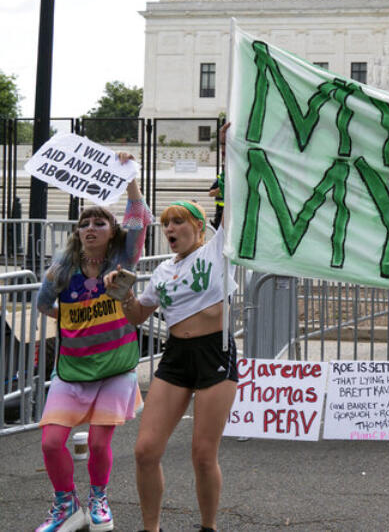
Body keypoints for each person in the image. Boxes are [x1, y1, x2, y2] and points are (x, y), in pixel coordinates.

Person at [113, 125, 237, 532]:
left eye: (178, 223)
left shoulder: (219, 249)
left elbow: (235, 198)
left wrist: (227, 147)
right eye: (166, 225)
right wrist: (124, 295)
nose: (170, 230)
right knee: (145, 450)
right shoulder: (163, 270)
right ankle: (151, 528)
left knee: (203, 454)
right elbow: (137, 317)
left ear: (198, 227)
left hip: (215, 353)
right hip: (176, 358)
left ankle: (208, 527)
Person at [33, 154, 151, 532]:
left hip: (116, 368)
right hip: (72, 369)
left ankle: (99, 497)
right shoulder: (63, 267)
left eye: (99, 222)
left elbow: (139, 219)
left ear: (111, 231)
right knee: (52, 443)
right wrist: (77, 324)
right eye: (84, 223)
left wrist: (131, 178)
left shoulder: (123, 255)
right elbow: (42, 303)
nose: (90, 227)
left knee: (100, 444)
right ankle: (67, 503)